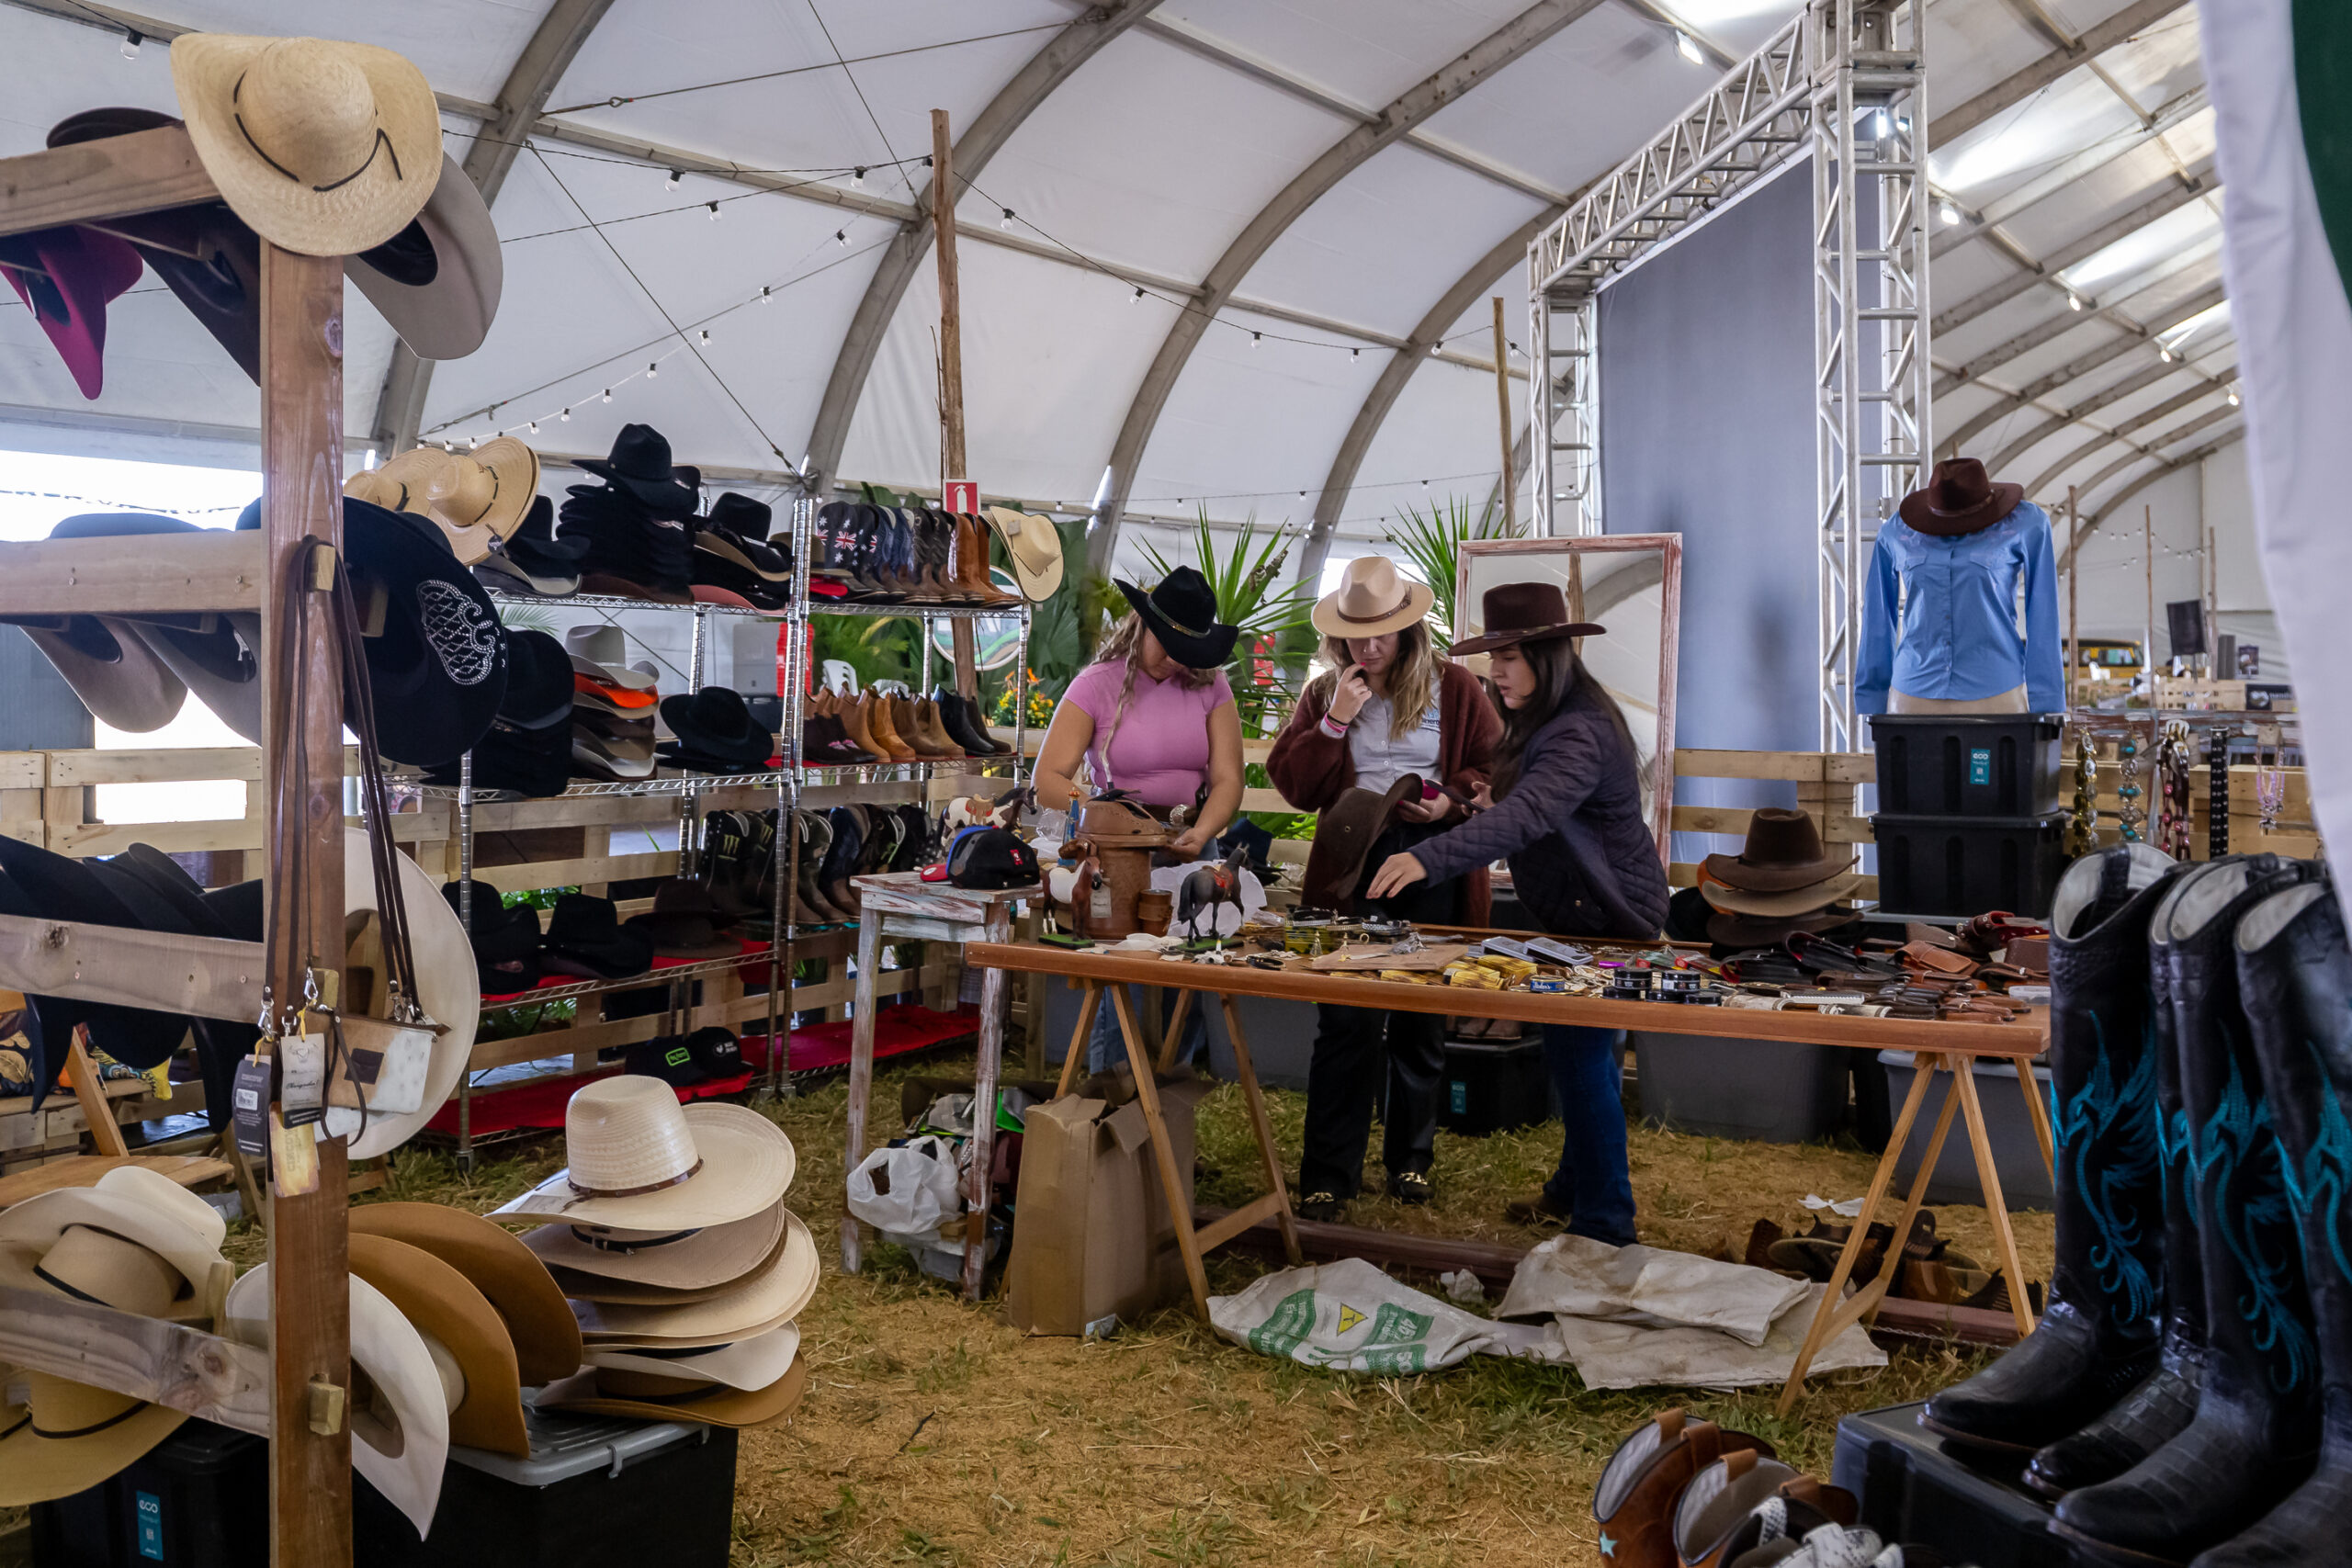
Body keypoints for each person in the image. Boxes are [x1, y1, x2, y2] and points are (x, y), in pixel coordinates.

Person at [1364, 581, 1668, 1245]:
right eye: (1492, 656)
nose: (1495, 670)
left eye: (1508, 657)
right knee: (1576, 1055)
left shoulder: (1578, 731)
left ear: (1548, 654)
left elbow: (1532, 814)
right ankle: (1573, 1190)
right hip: (1582, 913)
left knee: (1584, 1062)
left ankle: (1605, 1222)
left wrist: (1429, 857)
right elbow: (1521, 804)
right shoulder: (1554, 718)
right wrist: (1463, 808)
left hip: (1611, 919)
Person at [1267, 556, 1500, 1220]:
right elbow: (1296, 784)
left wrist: (1449, 803)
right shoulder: (1325, 692)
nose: (1369, 648)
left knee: (1421, 1015)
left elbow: (1489, 765)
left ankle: (1410, 1161)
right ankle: (1328, 1173)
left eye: (1381, 635)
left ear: (1409, 629)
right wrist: (1334, 720)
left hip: (1431, 854)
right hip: (1352, 861)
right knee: (1346, 1018)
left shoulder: (1454, 687)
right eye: (1356, 637)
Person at [1035, 564, 1242, 1071]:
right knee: (1119, 972)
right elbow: (1049, 777)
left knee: (1189, 968)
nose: (1176, 660)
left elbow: (1228, 779)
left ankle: (1173, 1081)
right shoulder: (1097, 685)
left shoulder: (1211, 686)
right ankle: (1111, 1086)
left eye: (1187, 650)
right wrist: (1109, 820)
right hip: (1121, 846)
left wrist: (1204, 831)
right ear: (1143, 624)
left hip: (1190, 836)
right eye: (1168, 644)